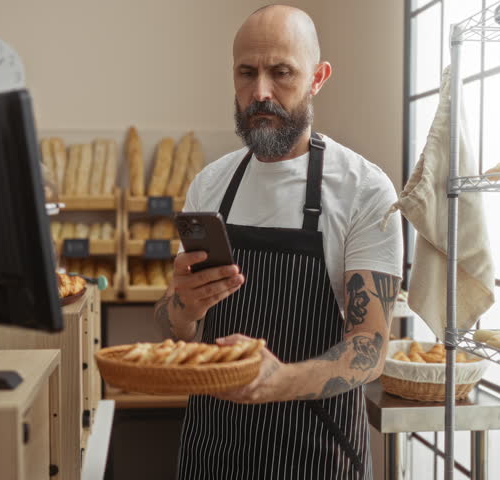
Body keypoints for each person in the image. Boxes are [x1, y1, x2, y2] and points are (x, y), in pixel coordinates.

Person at [154, 5, 403, 479]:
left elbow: (369, 349)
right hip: (212, 456)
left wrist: (279, 381)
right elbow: (173, 330)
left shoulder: (365, 190)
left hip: (317, 459)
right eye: (247, 73)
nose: (260, 92)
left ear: (318, 78)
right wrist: (183, 308)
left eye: (282, 72)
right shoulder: (211, 186)